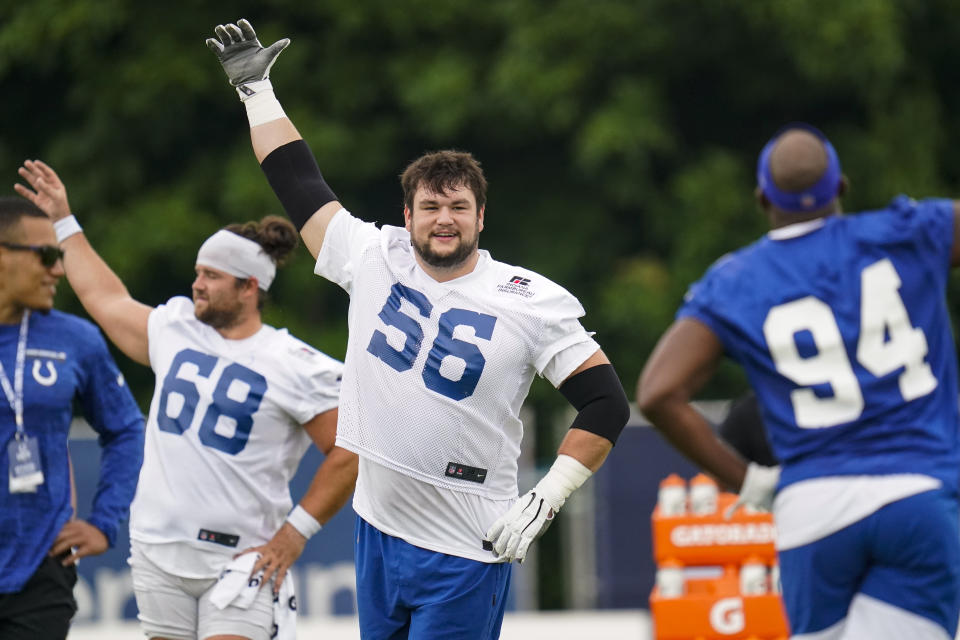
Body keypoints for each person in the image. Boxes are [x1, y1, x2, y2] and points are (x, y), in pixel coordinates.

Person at [206, 19, 630, 640]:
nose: (444, 220)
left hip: (466, 544)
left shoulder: (528, 298)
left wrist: (547, 497)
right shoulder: (374, 255)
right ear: (406, 216)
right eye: (430, 207)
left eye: (459, 207)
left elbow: (606, 404)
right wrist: (257, 93)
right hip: (378, 529)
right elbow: (299, 184)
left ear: (482, 217)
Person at [638, 123, 960, 639]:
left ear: (762, 197)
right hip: (915, 491)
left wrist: (748, 482)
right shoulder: (907, 231)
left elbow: (657, 393)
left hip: (814, 506)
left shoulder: (735, 279)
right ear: (842, 187)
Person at [15, 161, 358, 640]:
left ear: (248, 286)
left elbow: (349, 451)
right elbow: (103, 297)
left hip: (240, 555)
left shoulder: (294, 362)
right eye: (198, 271)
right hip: (159, 549)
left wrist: (295, 533)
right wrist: (63, 220)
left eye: (212, 275)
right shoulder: (175, 330)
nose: (197, 283)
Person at [0, 196, 144, 640]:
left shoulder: (76, 339)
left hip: (41, 569)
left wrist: (104, 521)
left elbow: (125, 428)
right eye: (46, 256)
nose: (58, 270)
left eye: (59, 257)